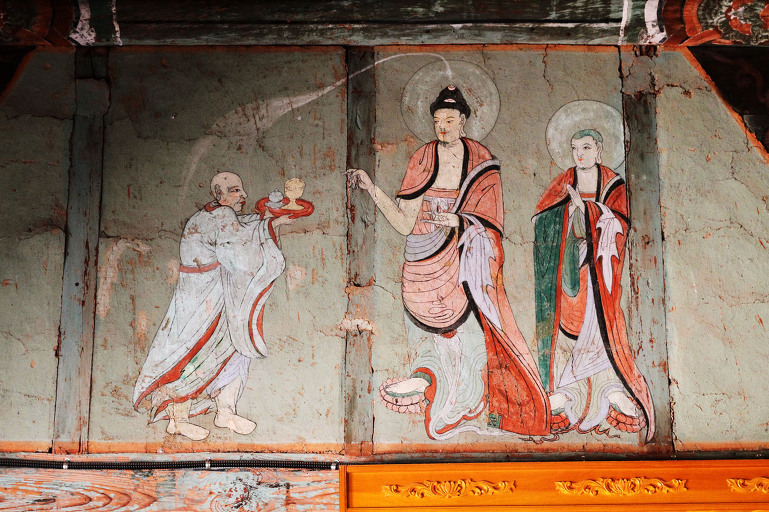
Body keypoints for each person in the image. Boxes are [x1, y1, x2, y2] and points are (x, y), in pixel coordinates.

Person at [347, 86, 549, 439]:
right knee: (425, 333)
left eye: (450, 119)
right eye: (437, 120)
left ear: (463, 121)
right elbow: (404, 222)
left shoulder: (480, 159)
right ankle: (431, 384)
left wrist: (460, 221)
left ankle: (469, 402)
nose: (443, 126)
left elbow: (492, 220)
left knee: (470, 334)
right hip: (420, 259)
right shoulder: (422, 157)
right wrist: (371, 188)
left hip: (463, 256)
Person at [133, 172, 293, 441]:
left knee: (235, 350)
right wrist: (271, 225)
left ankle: (225, 412)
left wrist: (268, 221)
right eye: (236, 191)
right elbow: (239, 255)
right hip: (203, 299)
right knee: (193, 355)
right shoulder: (222, 215)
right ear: (219, 195)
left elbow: (239, 229)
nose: (243, 195)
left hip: (214, 295)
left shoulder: (214, 214)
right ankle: (178, 420)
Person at [533, 129, 655, 441]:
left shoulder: (613, 184)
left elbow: (621, 223)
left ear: (599, 150)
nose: (580, 154)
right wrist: (569, 210)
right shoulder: (564, 181)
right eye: (575, 148)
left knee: (601, 321)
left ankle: (610, 387)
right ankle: (566, 389)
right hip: (570, 264)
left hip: (601, 266)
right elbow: (541, 218)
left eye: (586, 147)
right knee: (569, 323)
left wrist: (588, 209)